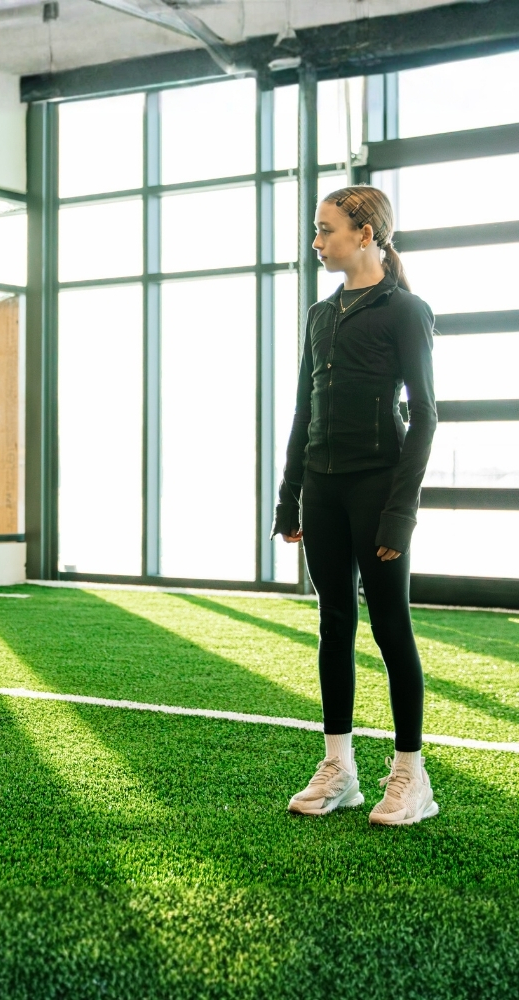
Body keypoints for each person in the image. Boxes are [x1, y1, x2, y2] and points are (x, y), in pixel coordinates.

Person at [273, 185, 438, 826]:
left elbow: (424, 416)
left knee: (391, 625)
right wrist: (290, 498)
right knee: (334, 622)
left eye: (326, 230)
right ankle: (339, 768)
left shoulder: (405, 311)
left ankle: (411, 775)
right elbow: (303, 411)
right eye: (317, 230)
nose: (317, 241)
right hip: (323, 488)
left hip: (377, 487)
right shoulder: (320, 316)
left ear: (365, 233)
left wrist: (400, 513)